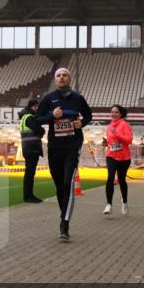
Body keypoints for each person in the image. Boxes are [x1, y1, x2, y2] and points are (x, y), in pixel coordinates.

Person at [36, 68, 92, 241]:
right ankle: (64, 215)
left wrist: (80, 123)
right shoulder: (48, 98)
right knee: (59, 186)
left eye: (65, 75)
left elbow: (88, 115)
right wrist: (51, 116)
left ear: (69, 78)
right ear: (55, 79)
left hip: (72, 146)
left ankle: (64, 224)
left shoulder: (78, 98)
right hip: (54, 147)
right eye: (58, 75)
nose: (61, 77)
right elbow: (37, 119)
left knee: (68, 183)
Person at [103, 104, 133, 215]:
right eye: (112, 112)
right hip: (111, 155)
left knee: (121, 180)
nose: (113, 114)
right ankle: (108, 204)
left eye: (116, 112)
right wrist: (106, 143)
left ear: (120, 114)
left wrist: (117, 134)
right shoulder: (109, 126)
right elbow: (111, 141)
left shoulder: (125, 125)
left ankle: (124, 202)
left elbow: (129, 140)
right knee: (110, 177)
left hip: (124, 157)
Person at [18, 98, 44, 203]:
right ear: (30, 107)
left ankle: (28, 195)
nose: (37, 108)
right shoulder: (29, 117)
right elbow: (39, 131)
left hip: (28, 148)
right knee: (30, 174)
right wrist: (42, 130)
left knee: (29, 173)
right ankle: (29, 196)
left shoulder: (26, 117)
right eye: (35, 106)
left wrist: (40, 130)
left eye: (38, 106)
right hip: (31, 148)